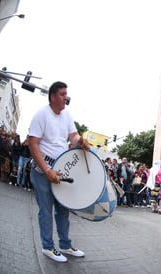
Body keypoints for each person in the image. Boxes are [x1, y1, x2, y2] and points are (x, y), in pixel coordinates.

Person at [29, 81, 90, 262]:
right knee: (46, 211)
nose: (66, 97)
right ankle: (48, 247)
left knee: (63, 210)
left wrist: (81, 141)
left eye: (66, 94)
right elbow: (33, 143)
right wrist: (47, 169)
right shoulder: (41, 115)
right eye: (63, 94)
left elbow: (73, 136)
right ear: (53, 96)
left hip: (61, 171)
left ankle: (65, 245)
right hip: (42, 171)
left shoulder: (67, 115)